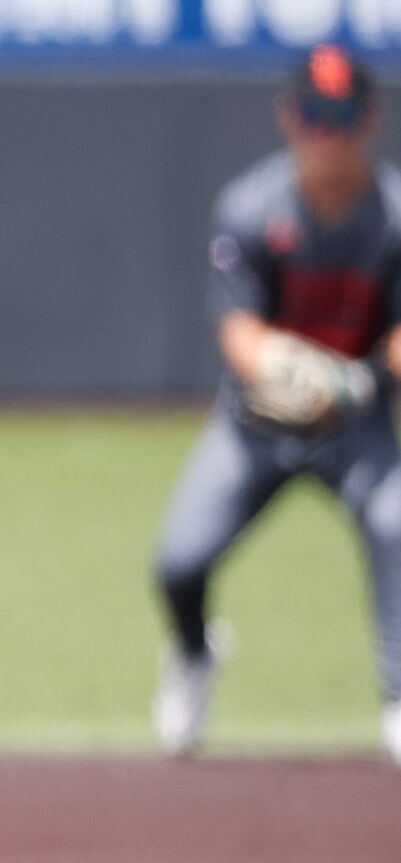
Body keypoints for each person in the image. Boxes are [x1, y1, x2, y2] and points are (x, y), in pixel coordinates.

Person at [150, 45, 401, 768]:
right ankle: (194, 655)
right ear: (289, 119)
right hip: (254, 426)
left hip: (355, 425)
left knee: (396, 523)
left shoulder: (390, 217)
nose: (327, 133)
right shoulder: (251, 206)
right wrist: (298, 371)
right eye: (313, 116)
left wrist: (360, 385)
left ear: (369, 121)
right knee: (175, 562)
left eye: (342, 116)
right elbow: (239, 332)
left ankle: (396, 699)